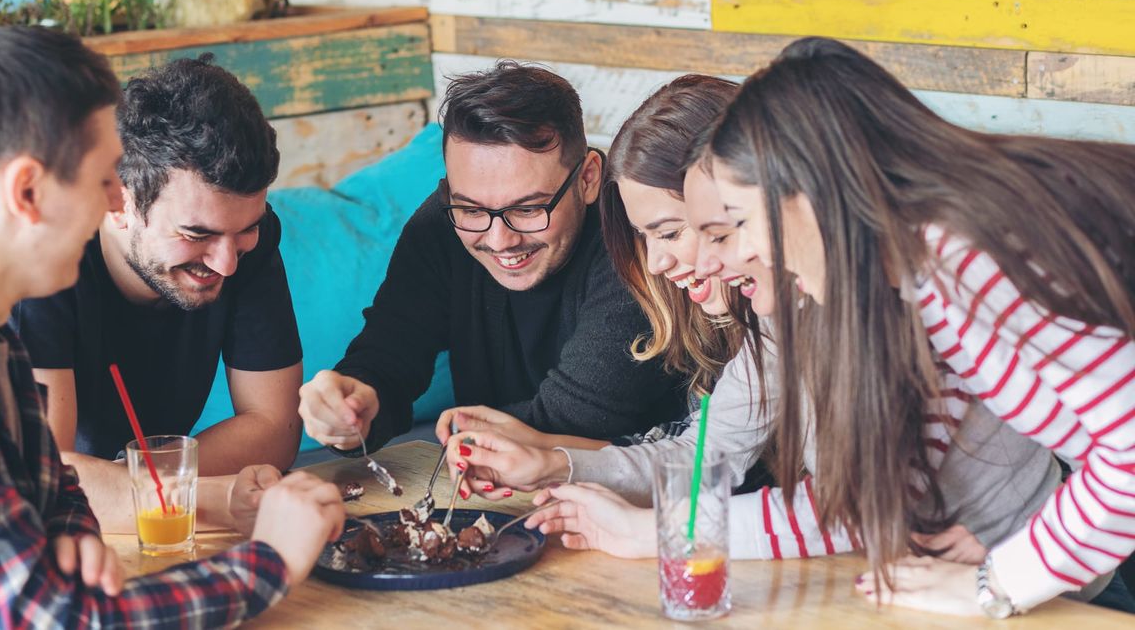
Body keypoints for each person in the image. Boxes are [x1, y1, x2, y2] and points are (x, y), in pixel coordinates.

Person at [439, 76, 1061, 574]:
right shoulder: (777, 314)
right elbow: (708, 455)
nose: (661, 263)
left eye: (684, 231)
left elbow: (859, 507)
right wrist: (557, 466)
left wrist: (650, 533)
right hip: (922, 573)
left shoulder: (895, 301)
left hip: (1029, 583)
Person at [699, 36, 1135, 615]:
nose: (755, 251)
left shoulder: (972, 252)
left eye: (742, 222)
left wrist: (998, 583)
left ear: (808, 193)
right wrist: (1035, 548)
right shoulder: (928, 271)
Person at [0, 26, 342, 627]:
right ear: (27, 190)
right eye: (104, 179)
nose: (113, 204)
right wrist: (271, 559)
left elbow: (48, 483)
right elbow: (58, 617)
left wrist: (70, 527)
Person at [299, 61, 688, 456]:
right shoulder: (441, 224)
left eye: (530, 209)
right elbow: (389, 352)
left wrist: (462, 430)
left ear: (587, 179)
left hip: (645, 489)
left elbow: (581, 419)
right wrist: (354, 407)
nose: (500, 240)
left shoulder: (633, 236)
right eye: (471, 209)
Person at [12, 55, 304, 534]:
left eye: (247, 229)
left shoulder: (241, 242)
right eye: (196, 234)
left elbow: (277, 428)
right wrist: (205, 495)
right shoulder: (42, 260)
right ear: (118, 200)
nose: (227, 263)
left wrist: (133, 489)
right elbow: (43, 480)